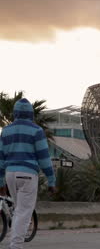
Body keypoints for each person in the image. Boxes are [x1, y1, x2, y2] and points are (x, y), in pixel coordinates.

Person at [0, 98, 56, 249]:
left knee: (19, 210)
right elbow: (44, 158)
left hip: (10, 174)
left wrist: (0, 182)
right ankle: (16, 246)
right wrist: (51, 181)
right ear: (31, 114)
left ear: (15, 113)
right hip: (28, 175)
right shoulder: (37, 131)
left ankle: (15, 241)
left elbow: (1, 158)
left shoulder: (6, 130)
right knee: (24, 212)